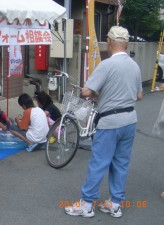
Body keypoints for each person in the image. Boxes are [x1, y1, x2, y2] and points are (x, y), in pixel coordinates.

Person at [64, 26, 143, 218]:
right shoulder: (135, 66)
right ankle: (115, 204)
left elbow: (86, 92)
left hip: (110, 122)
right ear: (126, 44)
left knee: (99, 162)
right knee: (121, 163)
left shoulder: (106, 65)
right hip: (130, 120)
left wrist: (99, 93)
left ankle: (87, 204)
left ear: (108, 42)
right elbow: (139, 96)